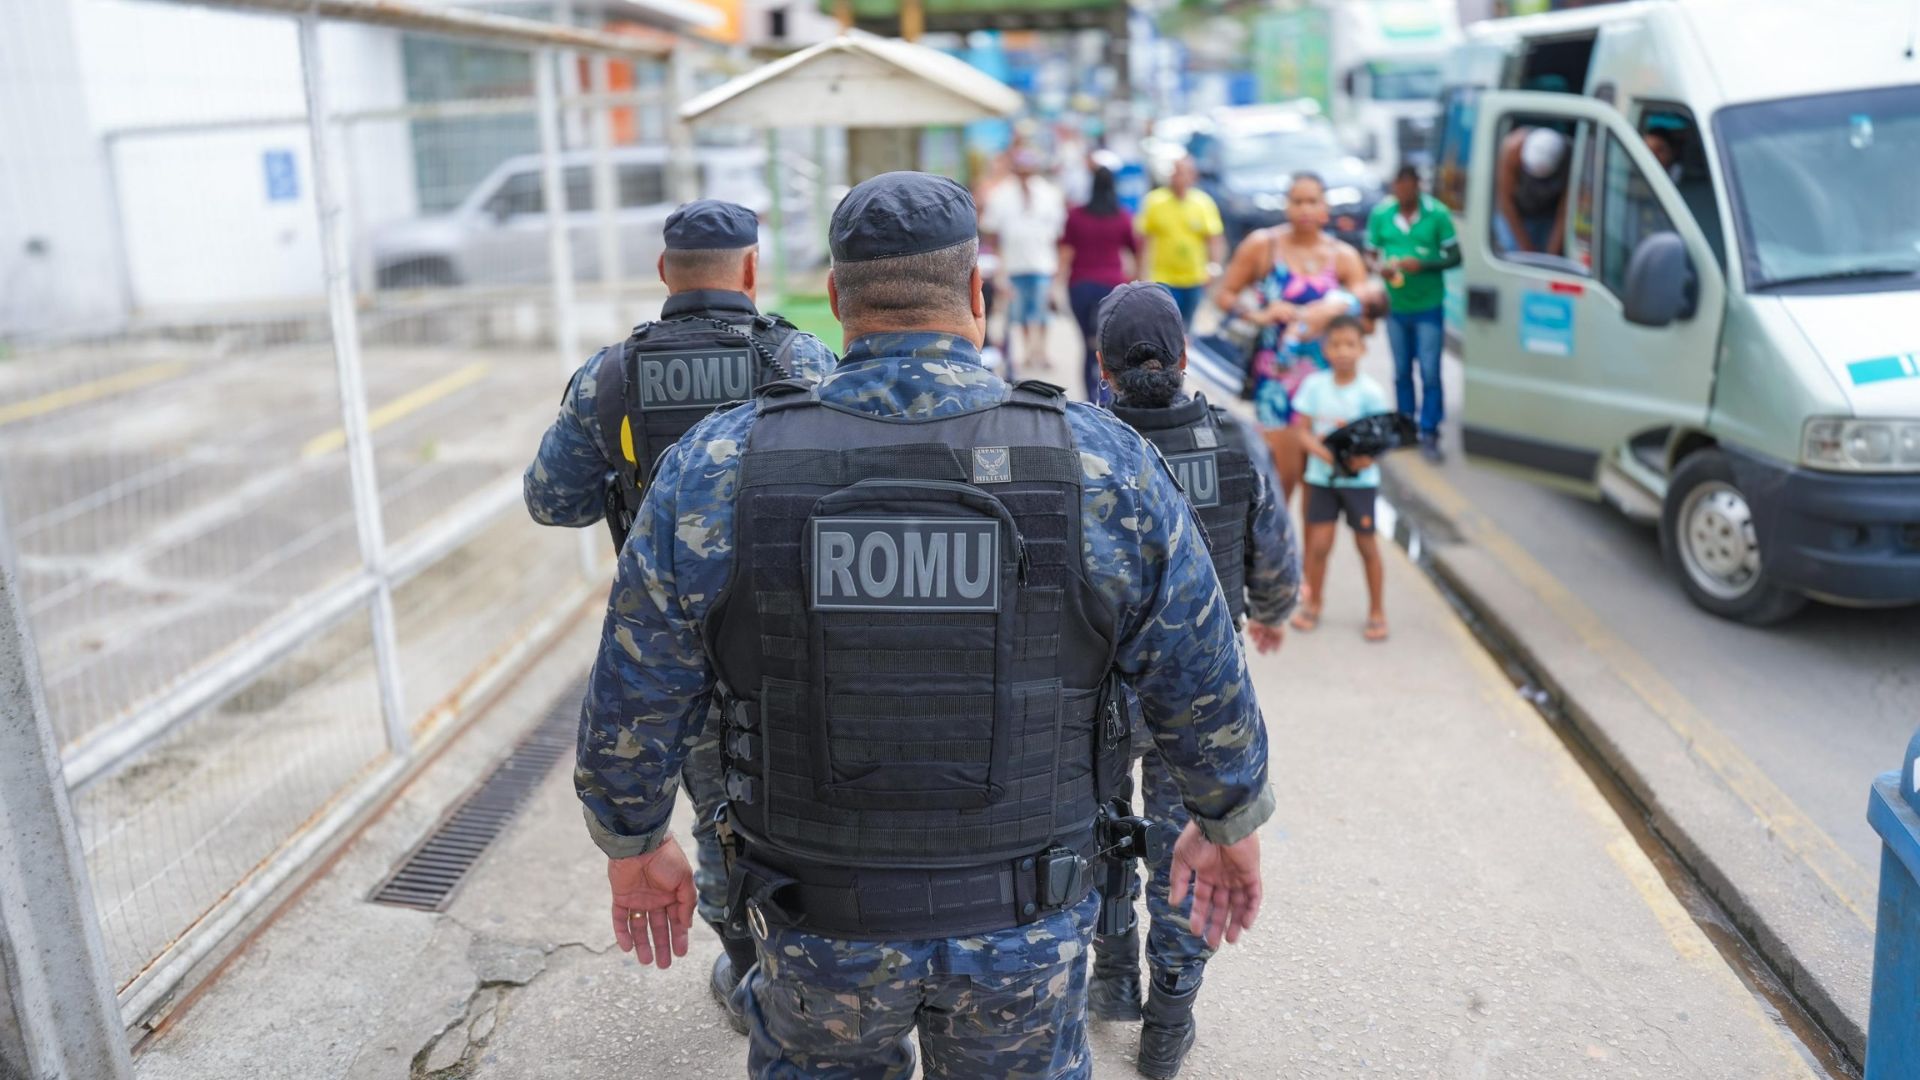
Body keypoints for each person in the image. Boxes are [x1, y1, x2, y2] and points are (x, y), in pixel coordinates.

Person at [575, 171, 1272, 1080]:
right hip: (1028, 920)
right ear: (978, 296)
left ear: (835, 301)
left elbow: (635, 689)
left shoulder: (718, 465)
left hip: (813, 919)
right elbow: (1201, 672)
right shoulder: (1100, 464)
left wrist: (634, 842)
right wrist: (1227, 819)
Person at [522, 198, 835, 1034]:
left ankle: (741, 962)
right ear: (752, 270)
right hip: (788, 634)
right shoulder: (800, 358)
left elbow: (551, 501)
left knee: (712, 804)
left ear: (664, 275)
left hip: (673, 639)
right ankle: (805, 960)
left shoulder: (614, 377)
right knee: (797, 790)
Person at [1088, 281, 1301, 1080]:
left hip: (1099, 695)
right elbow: (1274, 562)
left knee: (1102, 835)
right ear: (1182, 361)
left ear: (1102, 368)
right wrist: (1273, 608)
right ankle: (1169, 1021)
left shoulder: (1083, 446)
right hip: (1201, 701)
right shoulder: (1233, 440)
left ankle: (1111, 982)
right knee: (1192, 849)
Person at [1212, 172, 1369, 503]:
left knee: (1320, 486)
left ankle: (1309, 553)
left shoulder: (1343, 256)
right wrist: (1261, 314)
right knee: (1280, 482)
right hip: (1276, 382)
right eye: (1297, 201)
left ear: (1325, 207)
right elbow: (1224, 295)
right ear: (1287, 205)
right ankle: (1275, 548)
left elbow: (1365, 301)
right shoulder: (1263, 245)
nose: (1305, 209)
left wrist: (1331, 310)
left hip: (1326, 381)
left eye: (1313, 201)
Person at [1289, 315, 1392, 643]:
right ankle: (1313, 603)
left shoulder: (1371, 393)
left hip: (1360, 483)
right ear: (1325, 350)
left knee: (1366, 544)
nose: (1343, 351)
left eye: (1350, 344)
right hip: (1322, 480)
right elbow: (1301, 432)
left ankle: (1377, 611)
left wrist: (1364, 460)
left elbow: (1381, 439)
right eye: (1336, 344)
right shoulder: (1314, 386)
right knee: (1319, 545)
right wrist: (1326, 455)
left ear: (1362, 349)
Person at [1365, 164, 1460, 461]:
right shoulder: (1382, 214)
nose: (1402, 192)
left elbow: (1455, 256)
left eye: (1408, 186)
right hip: (1395, 306)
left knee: (1430, 371)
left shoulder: (1437, 214)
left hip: (1428, 305)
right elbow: (1369, 252)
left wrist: (1425, 264)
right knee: (1402, 370)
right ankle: (1406, 427)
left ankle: (1430, 430)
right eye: (1398, 186)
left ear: (1418, 185)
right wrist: (1379, 267)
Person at [980, 148, 1068, 378]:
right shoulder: (1002, 194)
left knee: (1042, 311)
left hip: (1042, 262)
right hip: (1014, 264)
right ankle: (1028, 351)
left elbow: (1058, 232)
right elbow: (992, 231)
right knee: (1020, 313)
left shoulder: (1048, 193)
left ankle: (1041, 351)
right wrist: (998, 263)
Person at [1060, 165, 1139, 404]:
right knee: (1110, 349)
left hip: (1080, 286)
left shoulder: (1076, 216)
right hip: (1113, 288)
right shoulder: (1123, 216)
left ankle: (1089, 400)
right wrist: (1137, 282)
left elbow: (1065, 251)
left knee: (1087, 346)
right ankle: (1107, 400)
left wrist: (1057, 282)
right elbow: (1136, 251)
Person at [1138, 156, 1226, 325]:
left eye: (1185, 173)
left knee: (1187, 326)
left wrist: (1213, 268)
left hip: (1194, 277)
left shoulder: (1203, 203)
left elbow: (1214, 238)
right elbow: (1144, 240)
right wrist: (1141, 273)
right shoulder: (1154, 201)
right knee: (1164, 324)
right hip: (1163, 278)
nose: (1180, 177)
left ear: (1193, 176)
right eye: (1177, 172)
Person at [1493, 126, 1570, 255]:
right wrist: (1525, 247)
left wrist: (1552, 254)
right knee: (1513, 252)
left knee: (1549, 253)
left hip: (1548, 214)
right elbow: (1505, 202)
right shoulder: (1512, 149)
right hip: (1516, 210)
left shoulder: (1570, 157)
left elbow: (1565, 210)